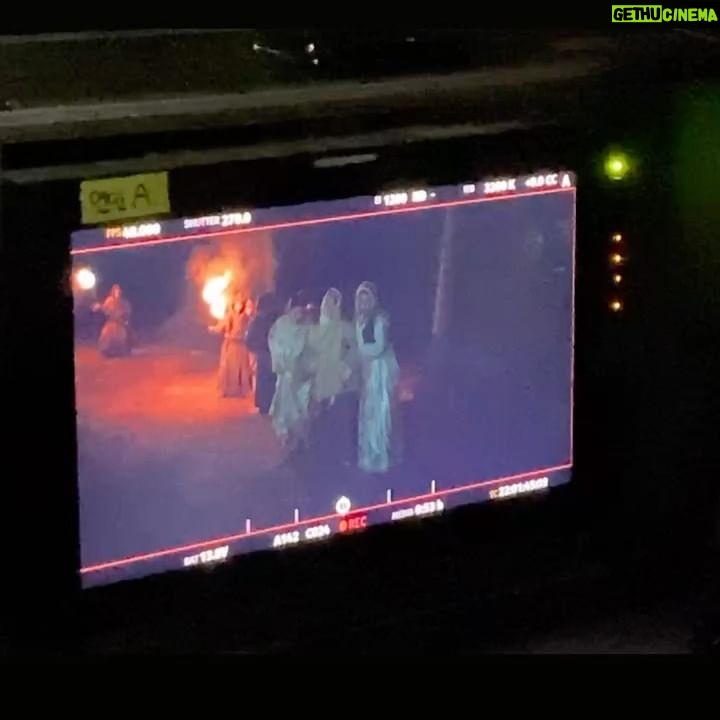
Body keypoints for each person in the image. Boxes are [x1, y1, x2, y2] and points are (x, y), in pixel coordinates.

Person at [354, 281, 401, 473]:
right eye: (361, 299)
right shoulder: (360, 320)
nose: (364, 303)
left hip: (380, 372)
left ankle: (381, 455)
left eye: (367, 299)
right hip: (369, 371)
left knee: (380, 414)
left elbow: (378, 347)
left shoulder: (379, 319)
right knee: (368, 413)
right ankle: (369, 455)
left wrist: (363, 354)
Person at [268, 292, 313, 453]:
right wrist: (285, 359)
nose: (298, 314)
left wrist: (304, 363)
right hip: (286, 376)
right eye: (295, 310)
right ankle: (287, 440)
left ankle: (301, 441)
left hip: (302, 377)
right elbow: (274, 343)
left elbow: (312, 348)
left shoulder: (308, 326)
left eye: (301, 311)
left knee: (302, 408)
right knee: (285, 408)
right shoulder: (280, 325)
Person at [209, 290, 253, 398]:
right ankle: (229, 390)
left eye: (240, 303)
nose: (238, 305)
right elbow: (221, 327)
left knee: (243, 369)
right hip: (231, 345)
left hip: (242, 345)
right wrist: (213, 329)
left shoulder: (246, 317)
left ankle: (243, 391)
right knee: (230, 368)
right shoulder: (229, 315)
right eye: (237, 303)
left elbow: (250, 328)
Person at [245, 292, 280, 415]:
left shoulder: (258, 320)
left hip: (264, 354)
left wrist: (256, 348)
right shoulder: (279, 319)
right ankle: (273, 404)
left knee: (264, 379)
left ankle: (264, 405)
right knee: (274, 380)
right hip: (276, 353)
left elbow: (250, 338)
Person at [92, 284, 132, 357]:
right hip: (111, 322)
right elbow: (105, 309)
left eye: (118, 291)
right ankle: (107, 351)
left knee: (121, 335)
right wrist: (99, 307)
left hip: (120, 323)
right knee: (106, 334)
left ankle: (119, 351)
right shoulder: (109, 300)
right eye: (116, 291)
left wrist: (124, 318)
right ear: (113, 292)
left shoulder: (123, 302)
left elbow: (127, 311)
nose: (117, 292)